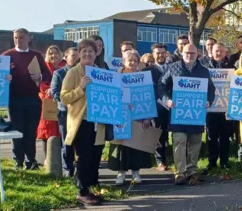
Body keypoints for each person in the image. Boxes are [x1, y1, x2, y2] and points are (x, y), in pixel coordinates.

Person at [157, 44, 215, 185]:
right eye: (187, 52)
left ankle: (192, 171)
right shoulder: (173, 68)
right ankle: (180, 173)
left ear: (198, 54)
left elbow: (211, 90)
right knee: (179, 142)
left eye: (193, 53)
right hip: (178, 114)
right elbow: (161, 85)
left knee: (195, 143)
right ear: (182, 53)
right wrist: (167, 100)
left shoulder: (204, 71)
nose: (190, 55)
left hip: (196, 114)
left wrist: (208, 101)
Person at [61, 39, 106, 205]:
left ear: (97, 54)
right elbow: (64, 97)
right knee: (84, 157)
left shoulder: (101, 72)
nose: (88, 54)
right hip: (82, 122)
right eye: (84, 51)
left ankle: (90, 189)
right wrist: (81, 88)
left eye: (91, 52)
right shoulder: (73, 73)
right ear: (79, 54)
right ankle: (82, 191)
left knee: (96, 156)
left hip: (99, 122)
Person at [2, 28, 51, 170]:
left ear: (28, 38)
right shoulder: (7, 55)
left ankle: (31, 161)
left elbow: (48, 75)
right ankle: (18, 160)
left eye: (21, 37)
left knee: (30, 131)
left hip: (33, 99)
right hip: (14, 99)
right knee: (17, 130)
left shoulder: (36, 56)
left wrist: (40, 77)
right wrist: (6, 78)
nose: (18, 40)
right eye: (16, 37)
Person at [108, 49, 153, 185]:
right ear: (123, 62)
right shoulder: (116, 77)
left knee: (136, 146)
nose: (132, 63)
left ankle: (136, 172)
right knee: (121, 147)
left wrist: (147, 117)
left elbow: (148, 98)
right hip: (121, 117)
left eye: (135, 60)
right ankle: (120, 174)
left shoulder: (143, 77)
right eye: (130, 60)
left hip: (138, 117)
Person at [199, 43, 233, 173]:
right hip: (211, 109)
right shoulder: (205, 67)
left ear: (225, 53)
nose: (218, 53)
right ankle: (212, 161)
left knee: (225, 137)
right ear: (211, 52)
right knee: (211, 137)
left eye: (221, 51)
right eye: (216, 51)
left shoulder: (231, 67)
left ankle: (224, 161)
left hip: (226, 109)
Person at [51, 47, 78, 177]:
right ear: (66, 57)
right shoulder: (59, 73)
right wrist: (68, 103)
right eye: (73, 55)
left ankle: (80, 168)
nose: (76, 58)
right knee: (67, 141)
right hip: (65, 112)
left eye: (78, 55)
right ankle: (68, 168)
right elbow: (55, 93)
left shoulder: (84, 72)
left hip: (80, 113)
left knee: (80, 142)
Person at [142, 43, 170, 171]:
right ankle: (160, 160)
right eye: (157, 53)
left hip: (174, 107)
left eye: (162, 52)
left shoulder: (174, 68)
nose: (160, 55)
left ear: (166, 53)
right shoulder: (147, 72)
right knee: (159, 135)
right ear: (153, 55)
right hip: (157, 108)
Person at [37, 45, 66, 166]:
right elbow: (39, 83)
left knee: (62, 131)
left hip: (61, 102)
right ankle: (47, 159)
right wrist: (48, 90)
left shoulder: (66, 68)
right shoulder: (43, 68)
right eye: (51, 53)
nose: (53, 55)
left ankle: (63, 160)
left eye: (56, 53)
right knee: (47, 131)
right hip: (47, 102)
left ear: (60, 54)